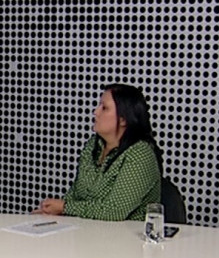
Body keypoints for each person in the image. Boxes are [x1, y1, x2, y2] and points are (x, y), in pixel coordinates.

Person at [34, 83, 162, 221]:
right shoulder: (93, 145)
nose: (96, 112)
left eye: (104, 108)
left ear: (123, 119)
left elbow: (114, 211)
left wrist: (64, 207)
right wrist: (53, 212)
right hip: (87, 229)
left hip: (125, 233)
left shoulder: (140, 154)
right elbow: (76, 194)